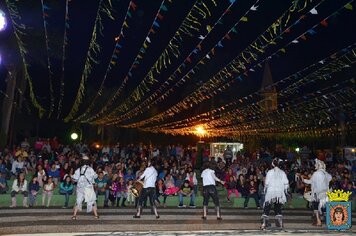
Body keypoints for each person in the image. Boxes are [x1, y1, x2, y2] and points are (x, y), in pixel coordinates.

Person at [301, 159, 332, 226]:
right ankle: (328, 222)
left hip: (317, 194)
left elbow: (310, 182)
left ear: (319, 165)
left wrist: (303, 179)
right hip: (325, 194)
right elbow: (330, 179)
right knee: (324, 208)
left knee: (315, 207)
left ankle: (318, 221)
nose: (315, 165)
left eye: (316, 164)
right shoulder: (327, 174)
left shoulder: (316, 173)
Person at [260, 158, 289, 230]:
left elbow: (266, 183)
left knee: (267, 208)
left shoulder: (270, 172)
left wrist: (265, 190)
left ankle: (263, 224)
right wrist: (285, 191)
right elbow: (286, 183)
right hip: (279, 192)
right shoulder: (282, 172)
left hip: (271, 192)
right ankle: (280, 224)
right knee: (278, 208)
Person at [71, 155, 99, 220]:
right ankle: (96, 215)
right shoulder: (90, 169)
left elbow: (75, 179)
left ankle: (74, 215)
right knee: (92, 201)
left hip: (80, 188)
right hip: (88, 188)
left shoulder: (78, 169)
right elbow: (95, 176)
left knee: (78, 201)